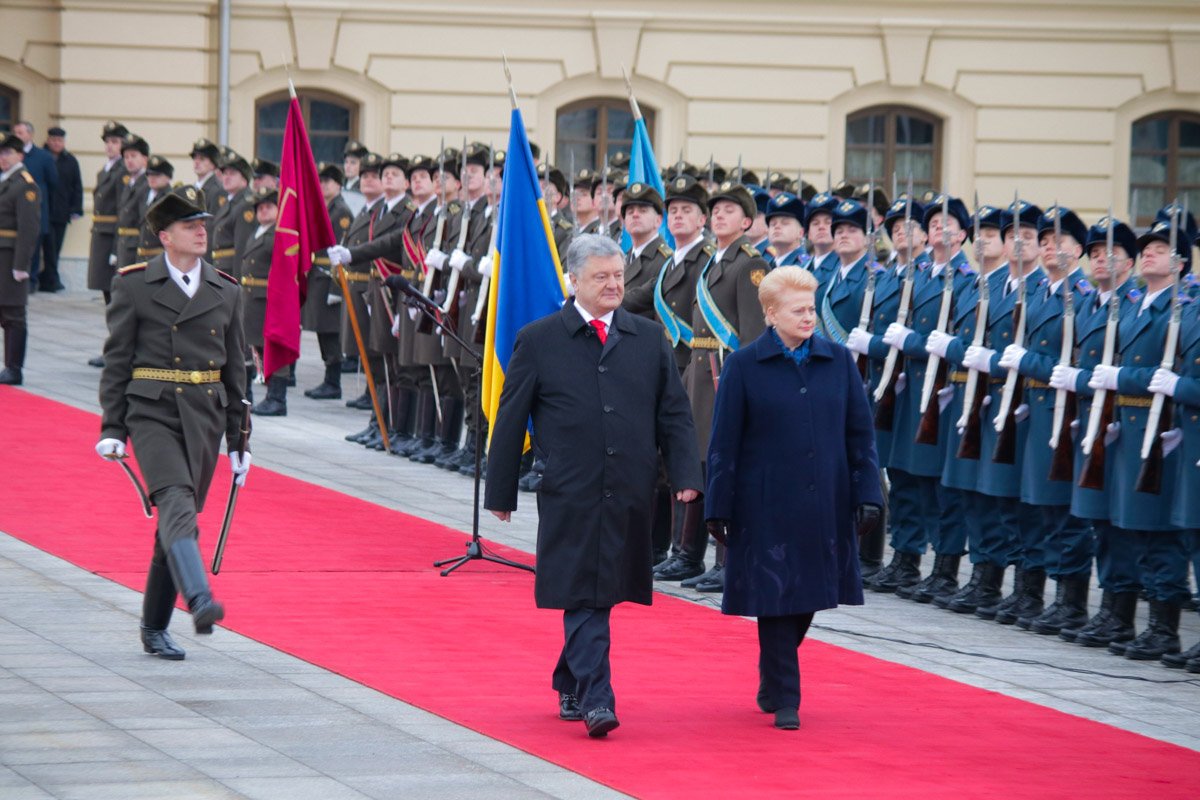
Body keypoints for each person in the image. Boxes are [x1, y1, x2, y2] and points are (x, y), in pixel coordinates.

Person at [484, 234, 702, 738]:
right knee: (585, 591)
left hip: (630, 487)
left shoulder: (648, 338)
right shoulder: (539, 339)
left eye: (618, 276)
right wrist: (500, 494)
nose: (613, 285)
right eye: (601, 277)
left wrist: (687, 475)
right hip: (569, 489)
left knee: (600, 590)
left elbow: (673, 414)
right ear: (574, 281)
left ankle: (568, 677)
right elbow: (511, 417)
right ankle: (597, 698)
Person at [706, 265, 883, 730]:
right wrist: (717, 504)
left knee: (806, 598)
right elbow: (724, 441)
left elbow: (859, 433)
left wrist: (869, 492)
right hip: (764, 503)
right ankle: (786, 695)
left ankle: (772, 674)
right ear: (770, 314)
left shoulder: (838, 361)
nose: (809, 318)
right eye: (798, 310)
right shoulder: (744, 365)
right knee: (775, 595)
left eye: (811, 308)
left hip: (825, 499)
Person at [95, 184, 249, 658]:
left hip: (204, 415)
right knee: (177, 503)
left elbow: (236, 369)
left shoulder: (225, 289)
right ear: (165, 236)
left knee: (175, 519)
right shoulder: (135, 284)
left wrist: (239, 438)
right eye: (189, 225)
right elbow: (117, 360)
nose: (201, 231)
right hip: (153, 411)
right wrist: (111, 428)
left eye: (203, 223)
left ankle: (153, 627)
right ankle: (199, 597)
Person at [303, 162, 353, 400]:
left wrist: (337, 288)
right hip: (318, 276)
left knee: (330, 331)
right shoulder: (327, 208)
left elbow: (340, 250)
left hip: (329, 278)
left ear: (339, 185)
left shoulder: (341, 212)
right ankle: (329, 379)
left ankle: (333, 382)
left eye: (327, 181)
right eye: (320, 181)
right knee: (323, 330)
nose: (322, 185)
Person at [0, 133, 40, 385]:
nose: (3, 157)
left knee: (13, 314)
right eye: (1, 153)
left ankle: (14, 368)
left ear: (20, 155)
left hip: (10, 257)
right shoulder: (6, 180)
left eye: (7, 152)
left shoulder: (25, 184)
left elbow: (29, 228)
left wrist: (21, 265)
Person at [11, 121, 57, 291]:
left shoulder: (43, 156)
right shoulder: (8, 155)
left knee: (34, 246)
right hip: (12, 212)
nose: (17, 135)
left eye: (21, 132)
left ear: (30, 135)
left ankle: (32, 281)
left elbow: (53, 182)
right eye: (15, 132)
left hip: (36, 208)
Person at [42, 126, 82, 292]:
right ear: (48, 140)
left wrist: (76, 209)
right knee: (49, 246)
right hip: (45, 210)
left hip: (62, 211)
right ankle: (52, 278)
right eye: (54, 140)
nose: (57, 143)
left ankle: (49, 277)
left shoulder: (70, 160)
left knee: (56, 247)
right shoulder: (42, 157)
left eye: (60, 140)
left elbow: (77, 185)